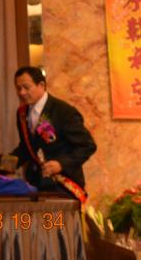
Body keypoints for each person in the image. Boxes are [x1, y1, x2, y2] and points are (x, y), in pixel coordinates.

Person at [10, 66, 96, 201]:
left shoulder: (64, 111)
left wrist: (61, 164)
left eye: (26, 87)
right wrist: (3, 166)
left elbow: (88, 146)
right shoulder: (22, 113)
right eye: (18, 88)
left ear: (41, 85)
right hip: (36, 185)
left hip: (63, 185)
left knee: (58, 217)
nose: (21, 92)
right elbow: (26, 148)